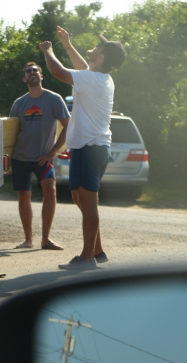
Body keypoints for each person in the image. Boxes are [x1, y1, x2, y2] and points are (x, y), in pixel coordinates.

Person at [40, 27, 125, 270]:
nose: (96, 46)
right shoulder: (98, 77)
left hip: (91, 149)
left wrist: (48, 51)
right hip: (86, 148)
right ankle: (96, 250)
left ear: (102, 57)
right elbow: (82, 69)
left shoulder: (93, 79)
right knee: (80, 198)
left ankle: (87, 258)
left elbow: (58, 71)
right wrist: (67, 45)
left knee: (88, 203)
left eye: (100, 47)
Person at [8, 62, 70, 251]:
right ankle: (28, 239)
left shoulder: (54, 99)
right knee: (24, 195)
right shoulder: (19, 103)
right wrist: (7, 161)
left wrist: (52, 152)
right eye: (28, 71)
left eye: (36, 70)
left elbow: (68, 125)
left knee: (50, 191)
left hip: (43, 158)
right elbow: (10, 134)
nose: (32, 73)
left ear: (41, 76)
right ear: (24, 78)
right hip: (20, 157)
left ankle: (46, 239)